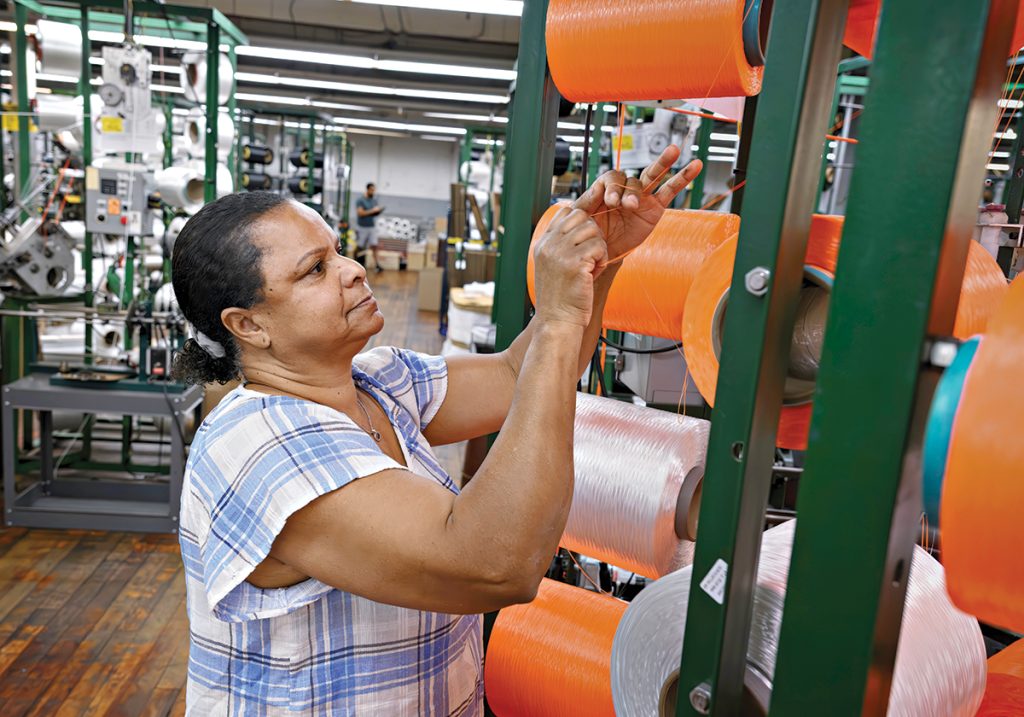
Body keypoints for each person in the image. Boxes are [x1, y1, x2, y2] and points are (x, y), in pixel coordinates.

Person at [170, 147, 701, 715]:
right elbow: (493, 564)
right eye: (315, 270)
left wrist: (601, 261)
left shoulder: (374, 383)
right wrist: (556, 319)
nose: (354, 270)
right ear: (248, 325)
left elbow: (518, 376)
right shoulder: (262, 447)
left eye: (339, 252)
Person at [355, 182, 384, 271]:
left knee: (374, 245)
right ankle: (356, 263)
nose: (373, 192)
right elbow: (360, 213)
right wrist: (372, 211)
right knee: (360, 246)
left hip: (372, 226)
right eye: (371, 190)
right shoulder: (360, 200)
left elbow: (374, 212)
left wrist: (378, 211)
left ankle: (377, 265)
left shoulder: (373, 201)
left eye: (374, 190)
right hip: (362, 227)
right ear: (367, 190)